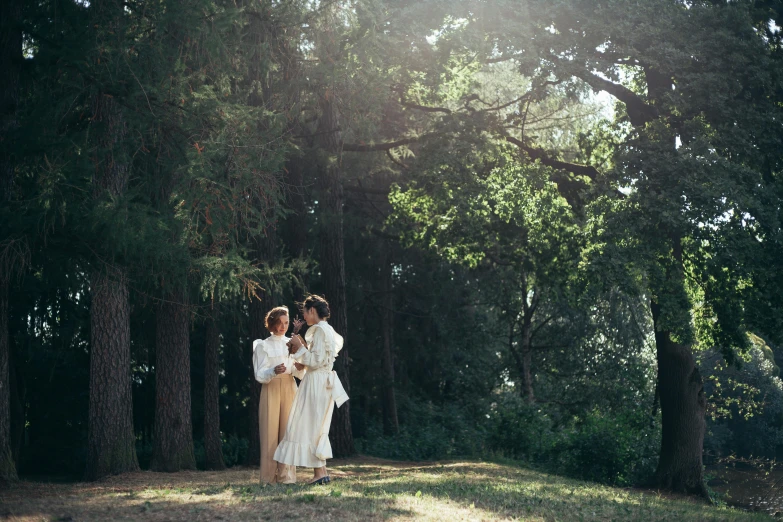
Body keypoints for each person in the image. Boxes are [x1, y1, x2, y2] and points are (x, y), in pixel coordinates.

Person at [273, 295, 348, 485]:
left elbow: (315, 361)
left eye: (305, 312)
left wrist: (298, 349)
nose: (304, 317)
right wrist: (302, 361)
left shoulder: (321, 331)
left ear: (312, 310)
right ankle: (320, 472)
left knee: (310, 425)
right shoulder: (328, 330)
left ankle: (320, 473)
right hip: (320, 380)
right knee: (314, 426)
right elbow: (318, 359)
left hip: (317, 382)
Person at [253, 305, 305, 484]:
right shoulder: (262, 345)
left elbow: (300, 374)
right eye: (279, 323)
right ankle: (268, 478)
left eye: (286, 322)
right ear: (272, 323)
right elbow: (259, 374)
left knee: (288, 433)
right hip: (271, 387)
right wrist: (273, 371)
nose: (283, 326)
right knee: (269, 434)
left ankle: (287, 477)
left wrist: (300, 367)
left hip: (290, 387)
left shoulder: (292, 343)